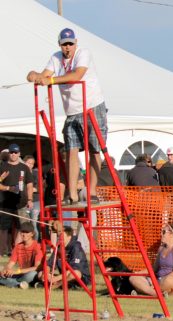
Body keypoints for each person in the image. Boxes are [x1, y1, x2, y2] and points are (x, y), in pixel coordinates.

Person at [26, 28, 107, 205]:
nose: (67, 47)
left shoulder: (83, 53)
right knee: (71, 151)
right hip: (72, 111)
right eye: (64, 44)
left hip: (92, 106)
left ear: (76, 43)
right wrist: (34, 75)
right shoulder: (56, 57)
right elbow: (44, 75)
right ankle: (72, 194)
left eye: (70, 44)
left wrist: (51, 80)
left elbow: (77, 74)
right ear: (60, 45)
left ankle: (91, 191)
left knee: (95, 149)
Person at [129, 223, 173, 296]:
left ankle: (146, 291)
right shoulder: (161, 248)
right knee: (133, 278)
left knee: (168, 280)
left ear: (172, 235)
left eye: (164, 232)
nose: (161, 234)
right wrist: (137, 273)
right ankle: (156, 293)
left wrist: (163, 279)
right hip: (158, 281)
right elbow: (154, 268)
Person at [0, 143, 34, 255]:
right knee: (4, 228)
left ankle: (18, 250)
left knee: (23, 227)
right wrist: (8, 188)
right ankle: (3, 251)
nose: (13, 154)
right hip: (5, 202)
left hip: (21, 203)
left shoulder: (24, 167)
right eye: (11, 152)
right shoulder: (2, 166)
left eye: (15, 152)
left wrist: (30, 199)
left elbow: (29, 185)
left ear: (19, 153)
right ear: (9, 153)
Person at [0, 223, 41, 289]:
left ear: (32, 234)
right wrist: (6, 270)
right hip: (20, 275)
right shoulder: (18, 246)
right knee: (1, 272)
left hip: (32, 275)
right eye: (22, 232)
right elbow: (10, 264)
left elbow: (37, 268)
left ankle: (15, 283)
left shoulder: (37, 246)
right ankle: (19, 284)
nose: (24, 234)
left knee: (32, 274)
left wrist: (17, 271)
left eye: (27, 232)